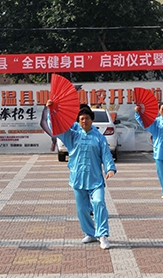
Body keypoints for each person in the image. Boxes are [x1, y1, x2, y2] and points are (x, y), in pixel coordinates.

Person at [48, 103, 116, 250]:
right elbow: (55, 127)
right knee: (82, 209)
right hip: (78, 178)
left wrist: (110, 168)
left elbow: (106, 154)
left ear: (91, 119)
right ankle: (90, 233)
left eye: (86, 118)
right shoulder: (72, 135)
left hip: (95, 178)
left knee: (98, 202)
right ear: (78, 121)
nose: (84, 121)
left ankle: (102, 235)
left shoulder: (99, 138)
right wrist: (51, 111)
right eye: (81, 119)